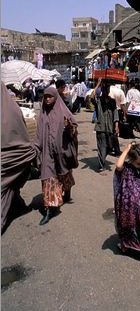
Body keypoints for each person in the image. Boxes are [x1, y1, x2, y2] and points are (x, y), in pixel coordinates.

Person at [35, 86, 78, 226]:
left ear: (55, 97)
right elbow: (38, 133)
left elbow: (74, 127)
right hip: (47, 151)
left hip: (62, 151)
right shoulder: (42, 112)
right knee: (48, 179)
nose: (47, 99)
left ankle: (67, 190)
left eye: (50, 96)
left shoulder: (63, 109)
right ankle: (49, 209)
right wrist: (36, 148)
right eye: (45, 96)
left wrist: (70, 127)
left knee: (63, 174)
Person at [1, 82, 37, 234]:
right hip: (19, 156)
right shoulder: (14, 109)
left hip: (7, 159)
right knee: (10, 186)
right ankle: (17, 206)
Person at [91, 78, 121, 174]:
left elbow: (115, 113)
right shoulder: (98, 101)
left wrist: (116, 126)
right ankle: (101, 166)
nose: (106, 91)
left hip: (110, 128)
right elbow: (91, 96)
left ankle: (102, 159)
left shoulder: (112, 101)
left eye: (107, 89)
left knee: (110, 146)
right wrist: (98, 84)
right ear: (102, 90)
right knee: (102, 147)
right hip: (101, 127)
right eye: (104, 89)